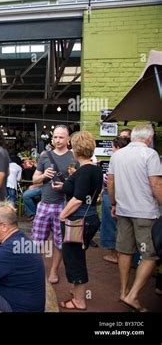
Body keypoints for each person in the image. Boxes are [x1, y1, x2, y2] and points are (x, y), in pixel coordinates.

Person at [107, 124, 162, 312]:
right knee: (150, 255)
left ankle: (124, 291)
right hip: (145, 212)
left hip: (123, 210)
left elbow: (111, 182)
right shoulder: (151, 154)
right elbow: (155, 184)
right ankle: (133, 295)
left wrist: (113, 203)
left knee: (124, 251)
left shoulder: (117, 155)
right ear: (149, 138)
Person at [56, 131, 103, 310]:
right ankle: (77, 291)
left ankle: (79, 300)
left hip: (78, 220)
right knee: (78, 255)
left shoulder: (84, 171)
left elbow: (77, 199)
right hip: (90, 218)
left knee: (74, 258)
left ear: (76, 149)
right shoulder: (95, 169)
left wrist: (62, 215)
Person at [31, 125, 76, 284]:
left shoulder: (74, 157)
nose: (57, 140)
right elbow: (34, 180)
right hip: (44, 204)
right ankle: (36, 271)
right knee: (37, 241)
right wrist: (43, 175)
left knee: (60, 242)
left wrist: (67, 184)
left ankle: (53, 272)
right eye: (55, 137)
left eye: (61, 137)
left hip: (64, 205)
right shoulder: (45, 156)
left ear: (68, 139)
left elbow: (79, 184)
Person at [101, 136, 130, 264]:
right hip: (126, 195)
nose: (111, 149)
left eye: (112, 146)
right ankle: (123, 253)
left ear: (117, 147)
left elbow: (109, 180)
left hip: (112, 194)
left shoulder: (116, 158)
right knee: (123, 226)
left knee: (110, 224)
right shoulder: (130, 158)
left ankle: (115, 254)